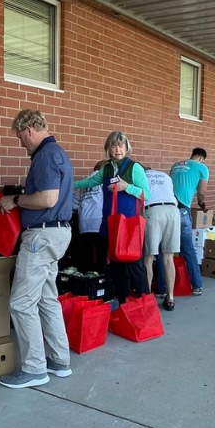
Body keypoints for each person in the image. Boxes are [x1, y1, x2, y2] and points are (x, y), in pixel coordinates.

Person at [0, 109, 74, 389]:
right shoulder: (58, 153)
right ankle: (58, 360)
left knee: (21, 302)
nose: (21, 144)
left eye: (20, 138)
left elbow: (47, 198)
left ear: (29, 129)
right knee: (46, 299)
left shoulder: (45, 155)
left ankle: (33, 368)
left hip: (41, 236)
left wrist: (15, 199)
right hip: (56, 234)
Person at [72, 130, 151, 306]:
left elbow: (148, 194)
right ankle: (123, 304)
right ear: (108, 148)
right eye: (114, 145)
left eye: (121, 145)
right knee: (117, 267)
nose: (117, 149)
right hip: (110, 224)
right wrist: (69, 184)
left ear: (127, 148)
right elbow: (89, 182)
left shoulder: (134, 167)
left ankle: (145, 304)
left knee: (135, 267)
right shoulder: (106, 168)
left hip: (129, 226)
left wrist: (126, 187)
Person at [169, 148, 210, 296]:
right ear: (202, 159)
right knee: (188, 249)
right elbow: (201, 193)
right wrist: (201, 203)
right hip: (182, 210)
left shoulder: (175, 165)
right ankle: (196, 286)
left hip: (167, 208)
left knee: (165, 251)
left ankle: (162, 289)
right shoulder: (202, 168)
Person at [142, 167, 181, 311]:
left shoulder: (141, 176)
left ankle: (146, 296)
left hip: (153, 211)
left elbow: (140, 198)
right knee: (168, 258)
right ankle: (170, 298)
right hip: (173, 211)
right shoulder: (165, 176)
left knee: (149, 257)